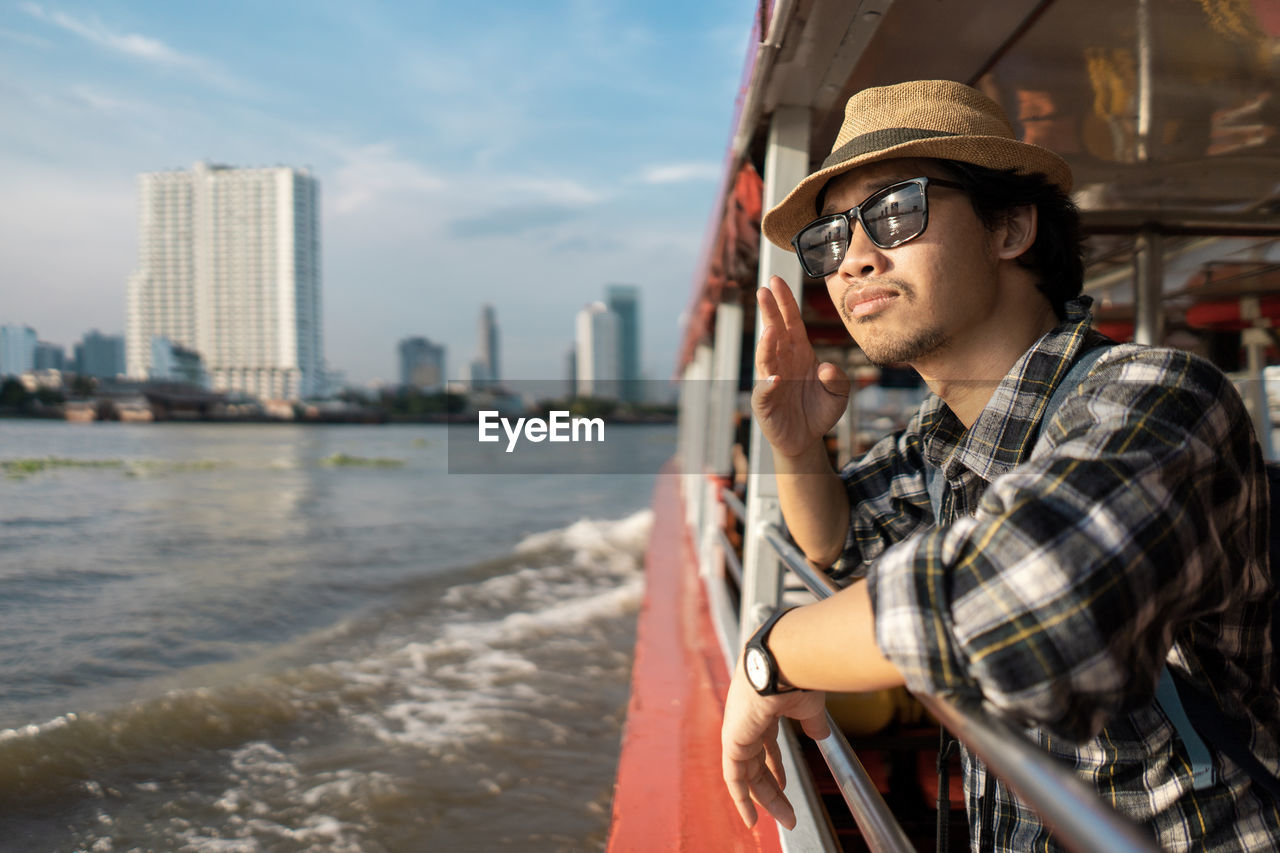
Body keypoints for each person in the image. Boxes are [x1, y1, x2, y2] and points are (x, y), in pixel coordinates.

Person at [720, 79, 1280, 851]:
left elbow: (1031, 600)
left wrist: (770, 655)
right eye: (829, 238)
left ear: (1011, 227)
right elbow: (839, 543)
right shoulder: (944, 440)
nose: (851, 258)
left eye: (892, 210)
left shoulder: (1159, 396)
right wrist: (794, 440)